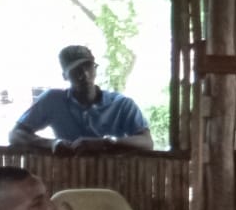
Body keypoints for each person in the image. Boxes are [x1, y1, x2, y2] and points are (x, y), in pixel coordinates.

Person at [10, 45, 152, 154]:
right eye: (76, 70)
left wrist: (106, 142)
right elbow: (15, 135)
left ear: (95, 69)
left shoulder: (121, 104)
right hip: (68, 175)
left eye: (88, 67)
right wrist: (52, 144)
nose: (84, 74)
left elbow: (147, 142)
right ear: (65, 76)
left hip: (111, 176)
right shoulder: (53, 100)